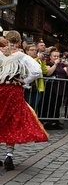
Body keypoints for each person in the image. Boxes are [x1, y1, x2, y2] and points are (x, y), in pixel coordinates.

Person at [0, 31, 48, 170]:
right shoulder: (22, 57)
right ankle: (9, 155)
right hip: (14, 91)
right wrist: (24, 81)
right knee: (12, 121)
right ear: (20, 42)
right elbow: (37, 71)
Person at [43, 49, 68, 129]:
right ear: (50, 57)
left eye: (58, 56)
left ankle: (56, 121)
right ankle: (48, 121)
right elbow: (48, 73)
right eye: (54, 56)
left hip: (60, 87)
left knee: (58, 104)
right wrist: (55, 64)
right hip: (51, 87)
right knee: (50, 104)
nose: (56, 57)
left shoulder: (61, 65)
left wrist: (67, 66)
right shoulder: (48, 63)